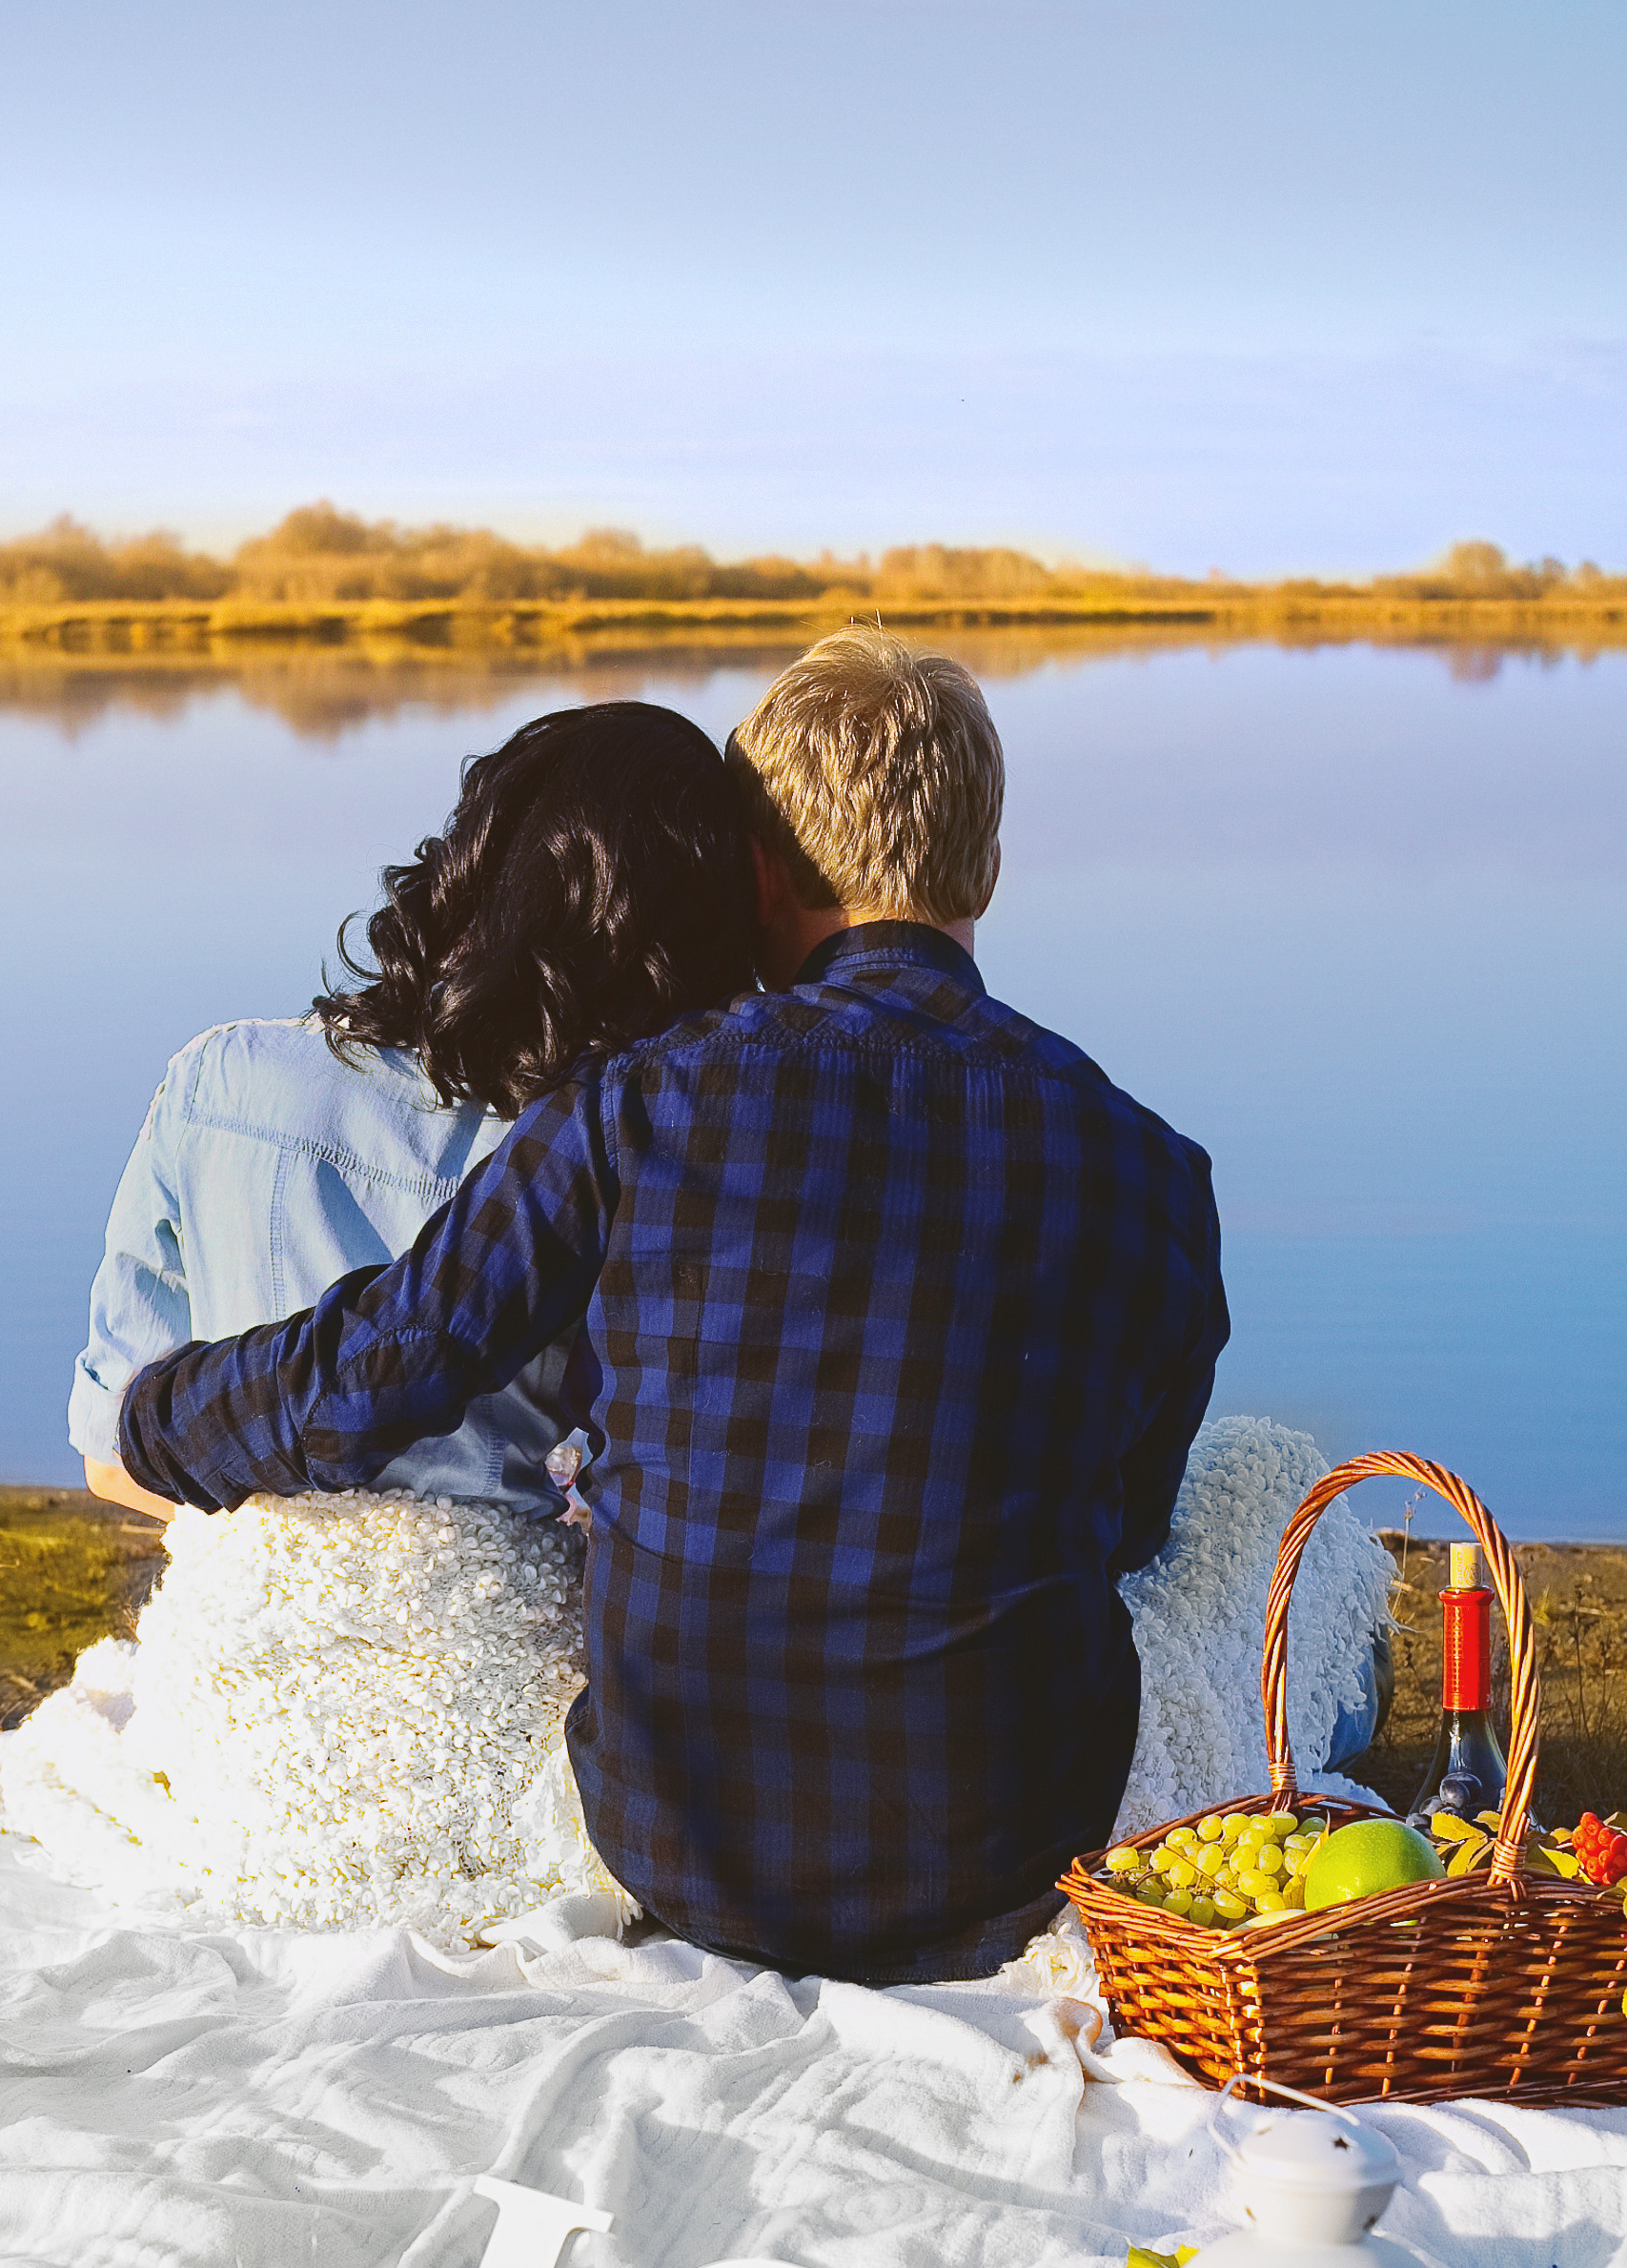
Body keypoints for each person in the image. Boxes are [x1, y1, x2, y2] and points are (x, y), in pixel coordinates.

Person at [112, 629, 1237, 1983]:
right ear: (987, 867)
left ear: (761, 875)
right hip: (1001, 1852)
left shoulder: (643, 1101)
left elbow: (383, 1368)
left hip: (684, 1844)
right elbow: (1126, 1530)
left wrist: (157, 1417)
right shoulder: (1153, 1172)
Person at [0, 703, 760, 1943]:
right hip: (498, 1739)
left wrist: (312, 1548)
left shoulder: (220, 1081)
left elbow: (111, 1453)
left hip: (245, 1724)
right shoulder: (621, 1164)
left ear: (467, 862)